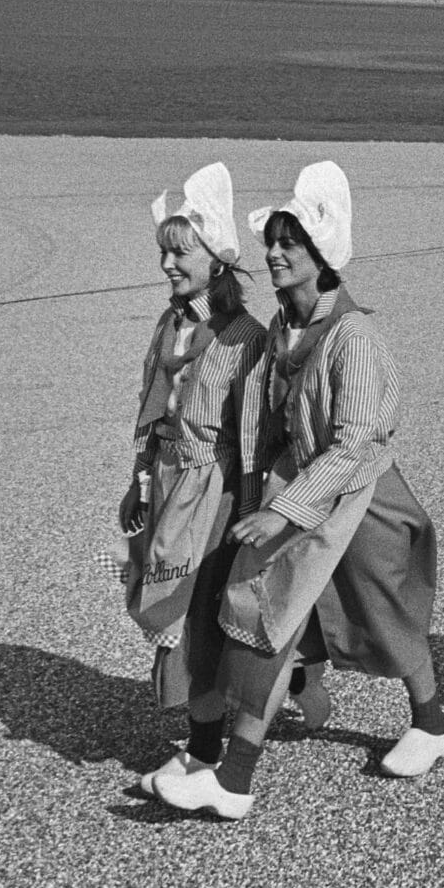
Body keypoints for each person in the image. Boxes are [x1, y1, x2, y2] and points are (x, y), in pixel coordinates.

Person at [153, 162, 444, 821]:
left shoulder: (356, 337)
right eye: (274, 241)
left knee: (386, 616)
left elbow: (358, 442)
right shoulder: (279, 331)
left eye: (292, 242)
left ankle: (431, 722)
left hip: (362, 501)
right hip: (303, 501)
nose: (277, 252)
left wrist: (280, 511)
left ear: (323, 254)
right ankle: (233, 777)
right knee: (269, 617)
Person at [124, 164, 269, 798]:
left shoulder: (246, 340)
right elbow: (152, 414)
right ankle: (208, 732)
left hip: (215, 496)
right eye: (164, 251)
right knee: (164, 604)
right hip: (168, 486)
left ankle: (209, 747)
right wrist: (137, 484)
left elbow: (257, 439)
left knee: (200, 618)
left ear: (214, 257)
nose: (167, 265)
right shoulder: (170, 325)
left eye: (179, 252)